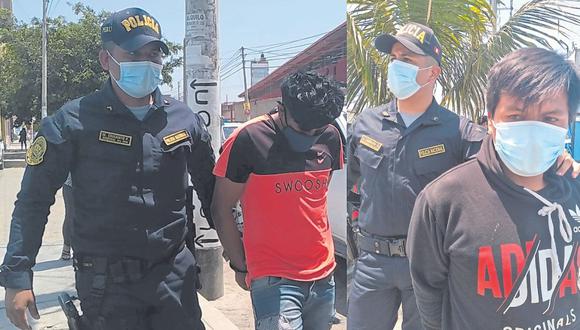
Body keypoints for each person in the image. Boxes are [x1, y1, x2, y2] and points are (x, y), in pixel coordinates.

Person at [347, 23, 580, 330]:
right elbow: (353, 186)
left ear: (432, 73)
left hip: (433, 263)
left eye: (408, 60)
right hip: (372, 262)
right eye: (394, 58)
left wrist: (554, 156)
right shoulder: (365, 125)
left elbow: (508, 158)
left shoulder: (458, 131)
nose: (396, 67)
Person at [0, 8, 215, 330]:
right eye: (132, 54)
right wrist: (18, 276)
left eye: (153, 54)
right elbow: (33, 200)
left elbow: (212, 190)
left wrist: (243, 255)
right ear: (105, 59)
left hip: (174, 277)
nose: (146, 63)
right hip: (106, 286)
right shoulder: (71, 122)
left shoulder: (184, 119)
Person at [408, 47, 580, 330]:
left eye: (550, 119)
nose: (533, 130)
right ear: (491, 120)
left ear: (568, 124)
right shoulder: (444, 200)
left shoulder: (575, 186)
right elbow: (430, 296)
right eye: (515, 117)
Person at [211, 71, 344, 330]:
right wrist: (239, 266)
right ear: (281, 109)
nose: (310, 135)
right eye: (303, 128)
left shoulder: (330, 136)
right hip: (273, 277)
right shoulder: (248, 138)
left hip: (324, 274)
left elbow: (315, 201)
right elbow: (221, 208)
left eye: (317, 130)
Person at [60, 174, 74, 260]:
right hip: (70, 184)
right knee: (70, 215)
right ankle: (66, 246)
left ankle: (80, 248)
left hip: (89, 183)